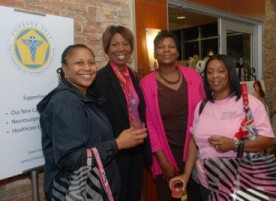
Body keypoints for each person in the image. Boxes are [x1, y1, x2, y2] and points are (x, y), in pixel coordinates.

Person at [37, 44, 147, 201]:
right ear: (65, 69)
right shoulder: (66, 102)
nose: (87, 68)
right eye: (79, 63)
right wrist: (118, 144)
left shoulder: (82, 97)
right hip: (78, 192)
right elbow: (70, 160)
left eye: (91, 62)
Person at [169, 54, 274, 200]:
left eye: (220, 71)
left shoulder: (249, 103)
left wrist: (234, 144)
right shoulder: (202, 106)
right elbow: (194, 141)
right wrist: (186, 174)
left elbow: (268, 140)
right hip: (207, 184)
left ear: (230, 74)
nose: (214, 76)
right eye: (210, 72)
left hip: (241, 183)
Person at [140, 30, 205, 201]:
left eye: (171, 46)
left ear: (177, 52)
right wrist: (163, 162)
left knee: (196, 197)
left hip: (195, 151)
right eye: (161, 47)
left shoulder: (194, 77)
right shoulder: (146, 83)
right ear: (155, 53)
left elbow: (204, 113)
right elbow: (150, 125)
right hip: (165, 155)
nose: (166, 50)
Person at [89, 25, 151, 201]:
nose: (121, 49)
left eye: (125, 44)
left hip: (136, 151)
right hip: (115, 153)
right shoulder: (99, 79)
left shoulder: (131, 75)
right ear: (107, 49)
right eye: (115, 44)